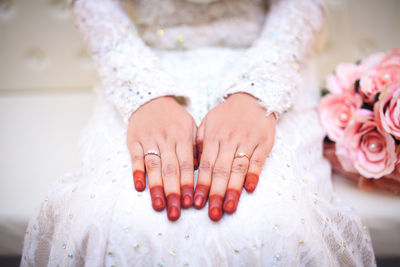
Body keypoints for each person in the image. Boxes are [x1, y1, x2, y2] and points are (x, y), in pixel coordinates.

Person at [21, 0, 376, 266]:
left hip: (270, 56)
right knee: (111, 219)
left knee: (276, 222)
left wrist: (258, 91)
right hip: (141, 61)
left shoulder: (268, 72)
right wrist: (143, 93)